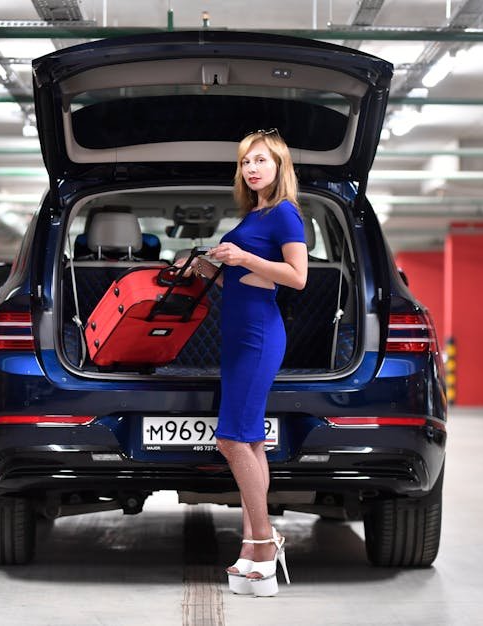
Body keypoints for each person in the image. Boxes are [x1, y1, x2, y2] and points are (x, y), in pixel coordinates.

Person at [185, 128, 308, 597]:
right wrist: (212, 270)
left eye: (260, 160)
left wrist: (242, 255)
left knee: (232, 441)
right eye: (245, 162)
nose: (252, 168)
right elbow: (237, 286)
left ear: (279, 165)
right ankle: (252, 553)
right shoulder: (253, 214)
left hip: (259, 335)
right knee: (251, 441)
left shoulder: (285, 214)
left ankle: (266, 541)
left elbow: (296, 278)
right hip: (238, 335)